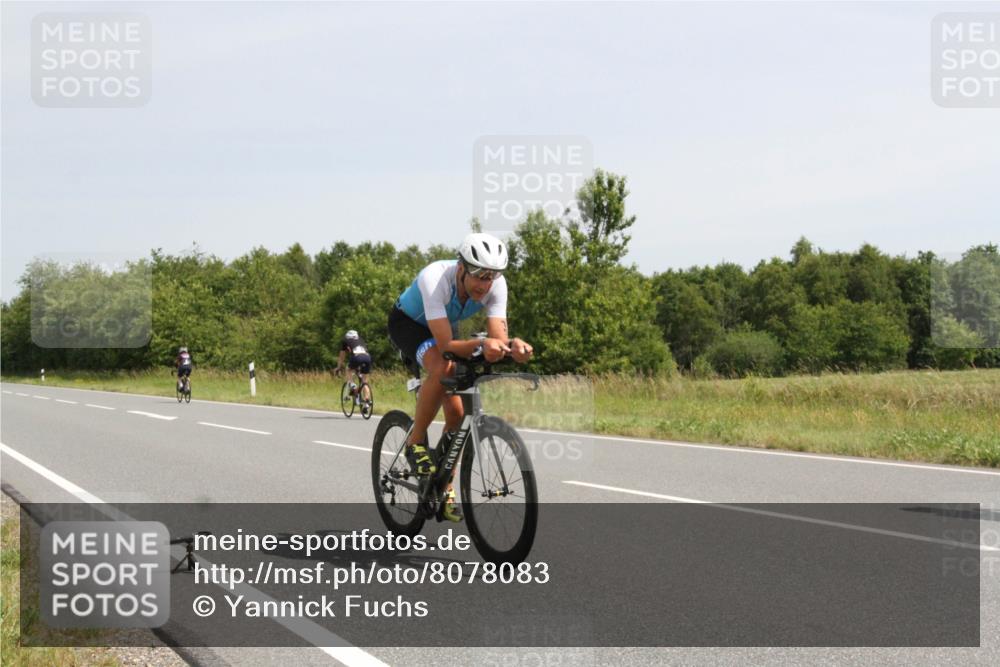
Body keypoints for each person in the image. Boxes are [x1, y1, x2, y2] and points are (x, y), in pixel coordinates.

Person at [387, 232, 533, 522]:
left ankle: (445, 487)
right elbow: (447, 348)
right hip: (409, 325)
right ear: (462, 267)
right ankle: (415, 443)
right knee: (444, 367)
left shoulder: (496, 286)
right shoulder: (435, 278)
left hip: (442, 326)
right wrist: (482, 345)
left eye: (491, 276)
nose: (484, 284)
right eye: (479, 275)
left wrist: (512, 348)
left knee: (456, 416)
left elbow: (498, 336)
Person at [334, 330, 373, 404]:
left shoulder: (346, 340)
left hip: (356, 357)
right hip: (367, 357)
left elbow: (342, 356)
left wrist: (338, 367)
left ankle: (352, 384)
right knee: (365, 381)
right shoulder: (361, 339)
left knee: (348, 369)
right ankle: (367, 401)